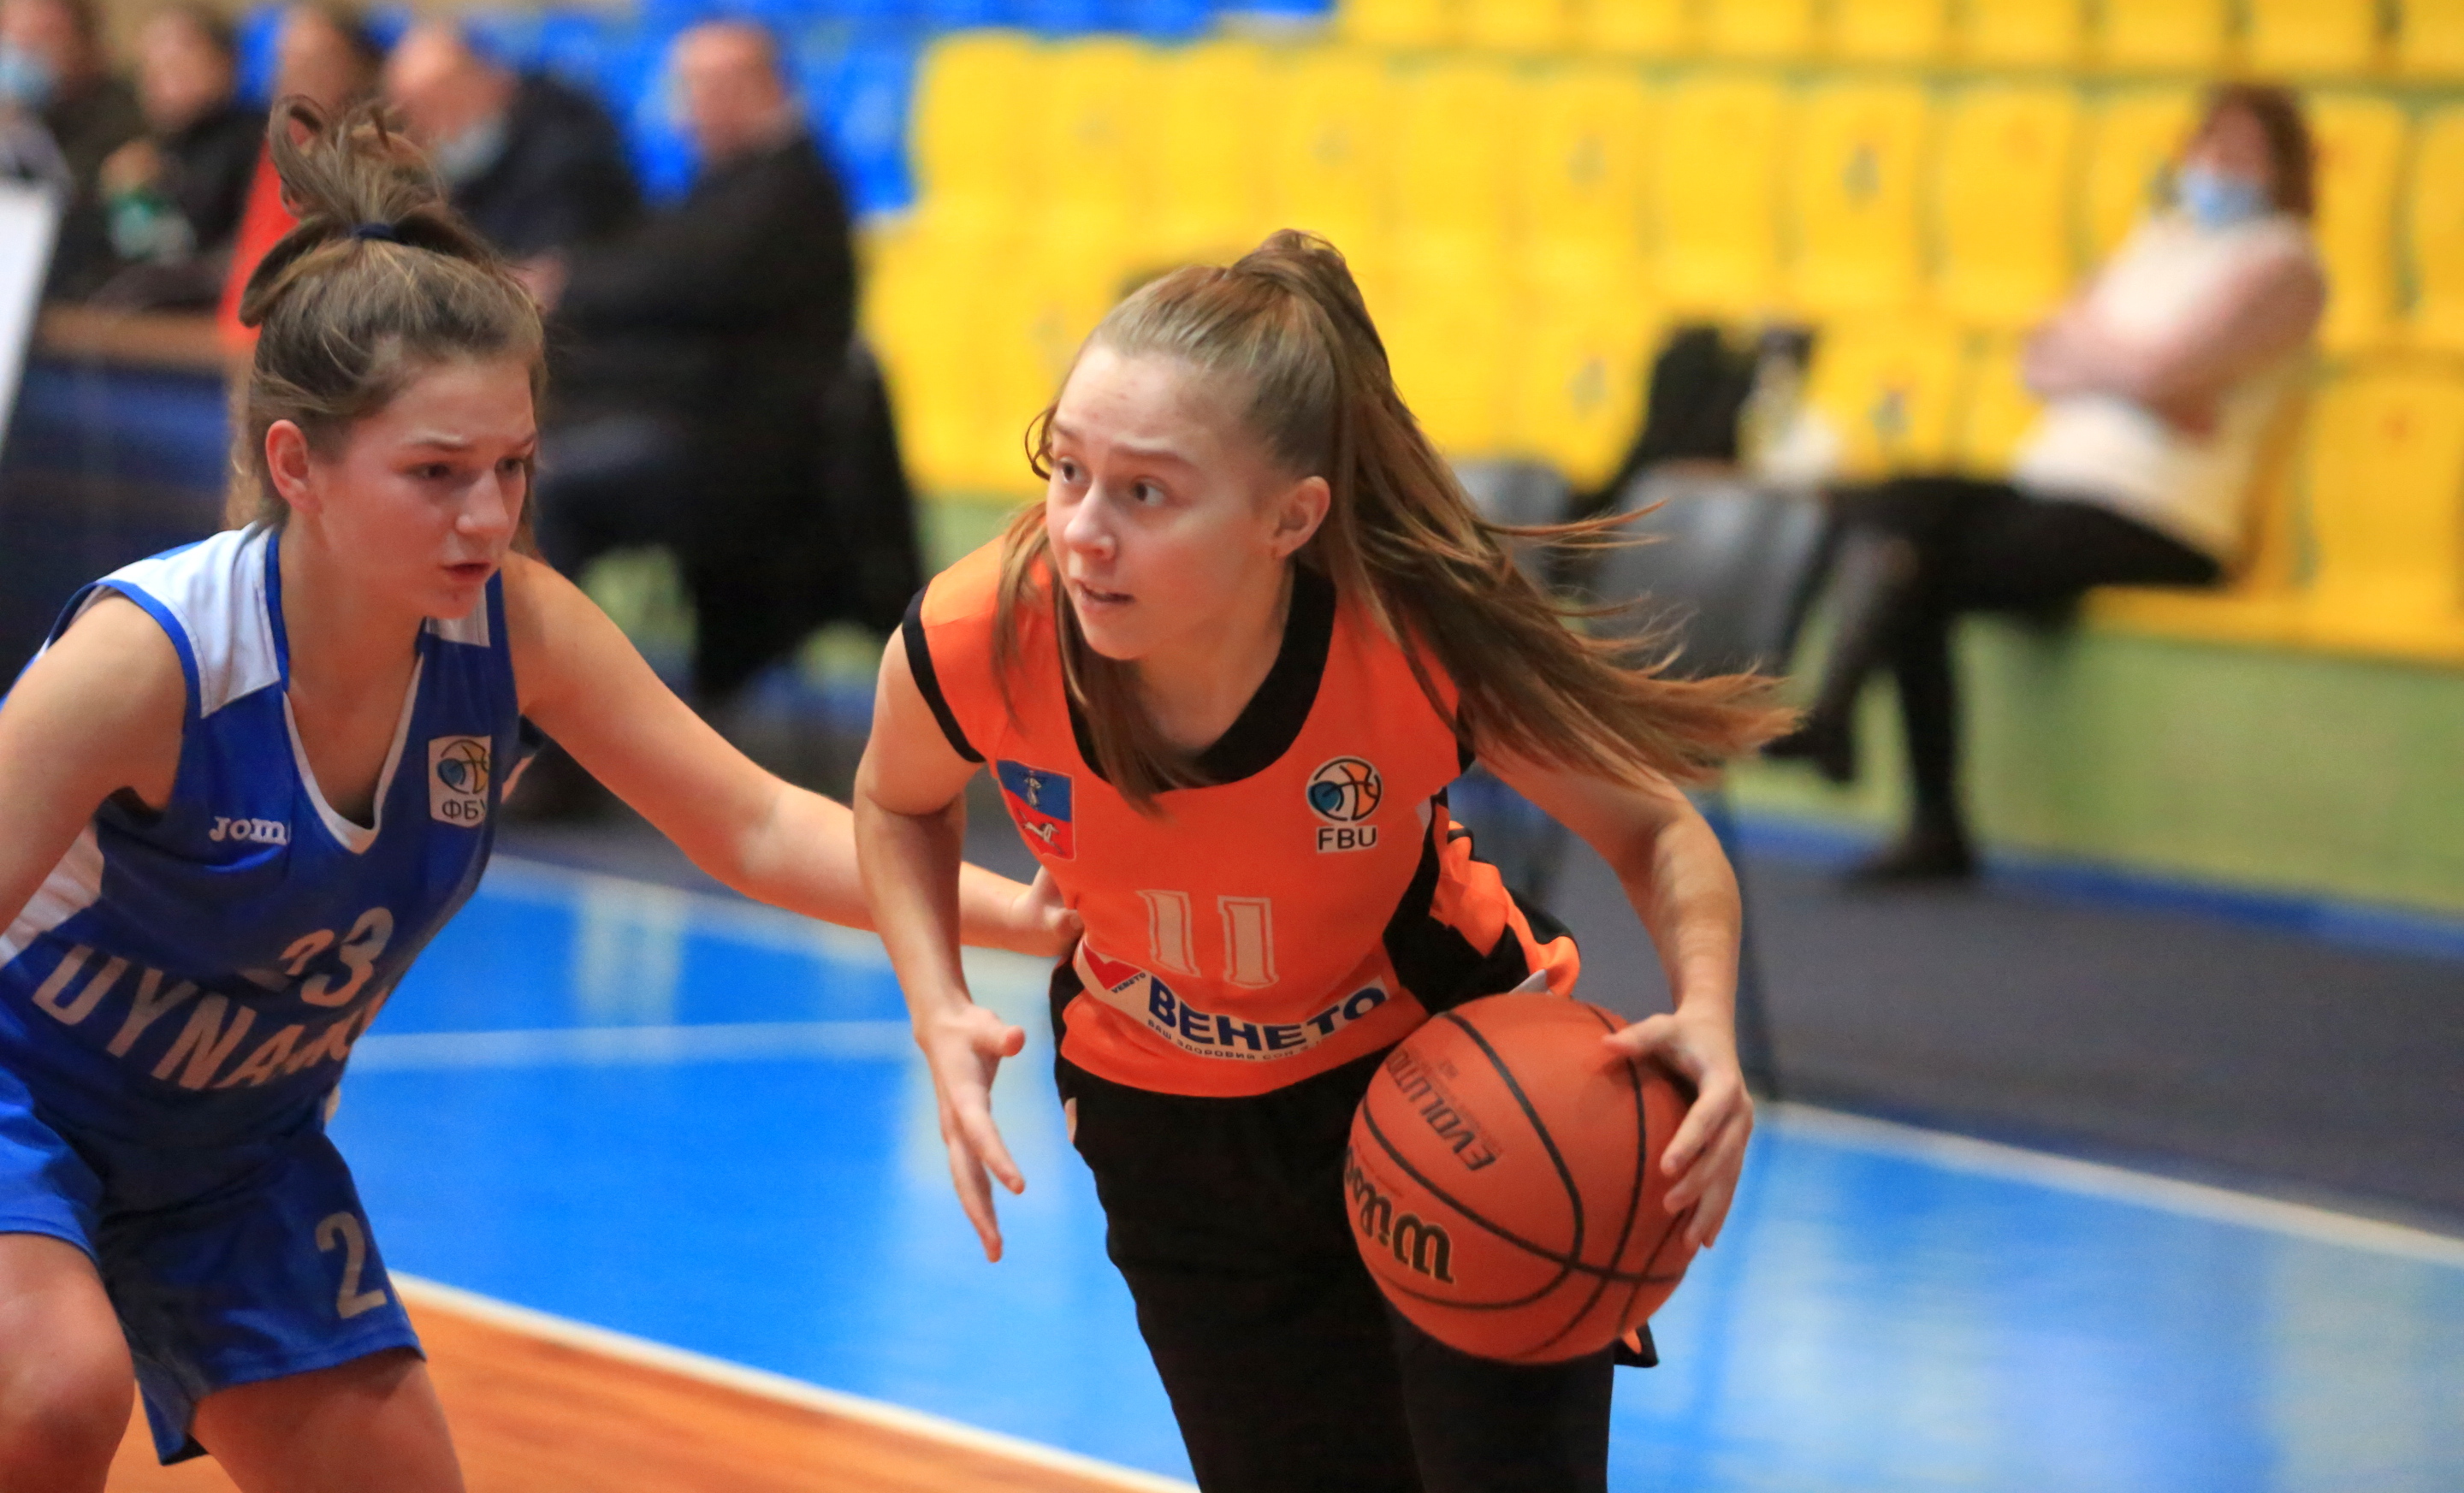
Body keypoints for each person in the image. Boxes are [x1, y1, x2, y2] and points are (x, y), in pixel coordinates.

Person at [0, 98, 1072, 1490]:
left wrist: (1023, 914)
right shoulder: (150, 659)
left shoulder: (519, 627)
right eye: (436, 474)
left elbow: (752, 823)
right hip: (25, 1102)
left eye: (511, 467)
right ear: (297, 466)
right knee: (52, 1390)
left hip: (234, 1150)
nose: (488, 516)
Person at [855, 232, 1779, 1493]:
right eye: (1065, 469)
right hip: (1170, 1127)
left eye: (1146, 492)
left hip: (1447, 1088)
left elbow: (1657, 828)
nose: (1082, 532)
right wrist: (939, 1001)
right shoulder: (981, 631)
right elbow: (894, 802)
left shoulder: (1408, 639)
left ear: (1289, 518)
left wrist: (1708, 1013)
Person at [1766, 85, 2326, 881]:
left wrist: (2101, 354)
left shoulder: (2287, 263)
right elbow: (2041, 359)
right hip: (2056, 484)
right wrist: (2138, 370)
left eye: (2242, 152)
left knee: (1912, 566)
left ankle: (1865, 752)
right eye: (2209, 143)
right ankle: (1845, 730)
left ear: (2285, 168)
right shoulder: (2156, 240)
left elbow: (2146, 368)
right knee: (1897, 506)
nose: (2217, 165)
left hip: (2162, 516)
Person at [530, 18, 857, 709]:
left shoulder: (790, 191)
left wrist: (567, 287)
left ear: (749, 88)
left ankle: (549, 723)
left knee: (539, 489)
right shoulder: (728, 180)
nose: (682, 113)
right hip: (694, 429)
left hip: (739, 459)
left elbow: (685, 289)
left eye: (697, 91)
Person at [382, 22, 636, 262]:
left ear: (493, 78)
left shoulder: (571, 143)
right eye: (416, 114)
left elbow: (552, 262)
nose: (436, 125)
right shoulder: (425, 181)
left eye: (447, 101)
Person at [215, 2, 382, 345]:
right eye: (286, 62)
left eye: (315, 63)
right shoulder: (259, 148)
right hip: (233, 346)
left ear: (355, 70)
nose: (294, 78)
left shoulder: (370, 161)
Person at [90, 4, 260, 308]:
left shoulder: (258, 143)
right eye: (153, 71)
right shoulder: (143, 148)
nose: (166, 81)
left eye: (180, 64)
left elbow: (229, 253)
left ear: (226, 61)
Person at [0, 0, 139, 299]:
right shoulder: (15, 112)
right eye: (18, 42)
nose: (28, 55)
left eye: (44, 38)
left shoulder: (121, 108)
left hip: (91, 282)